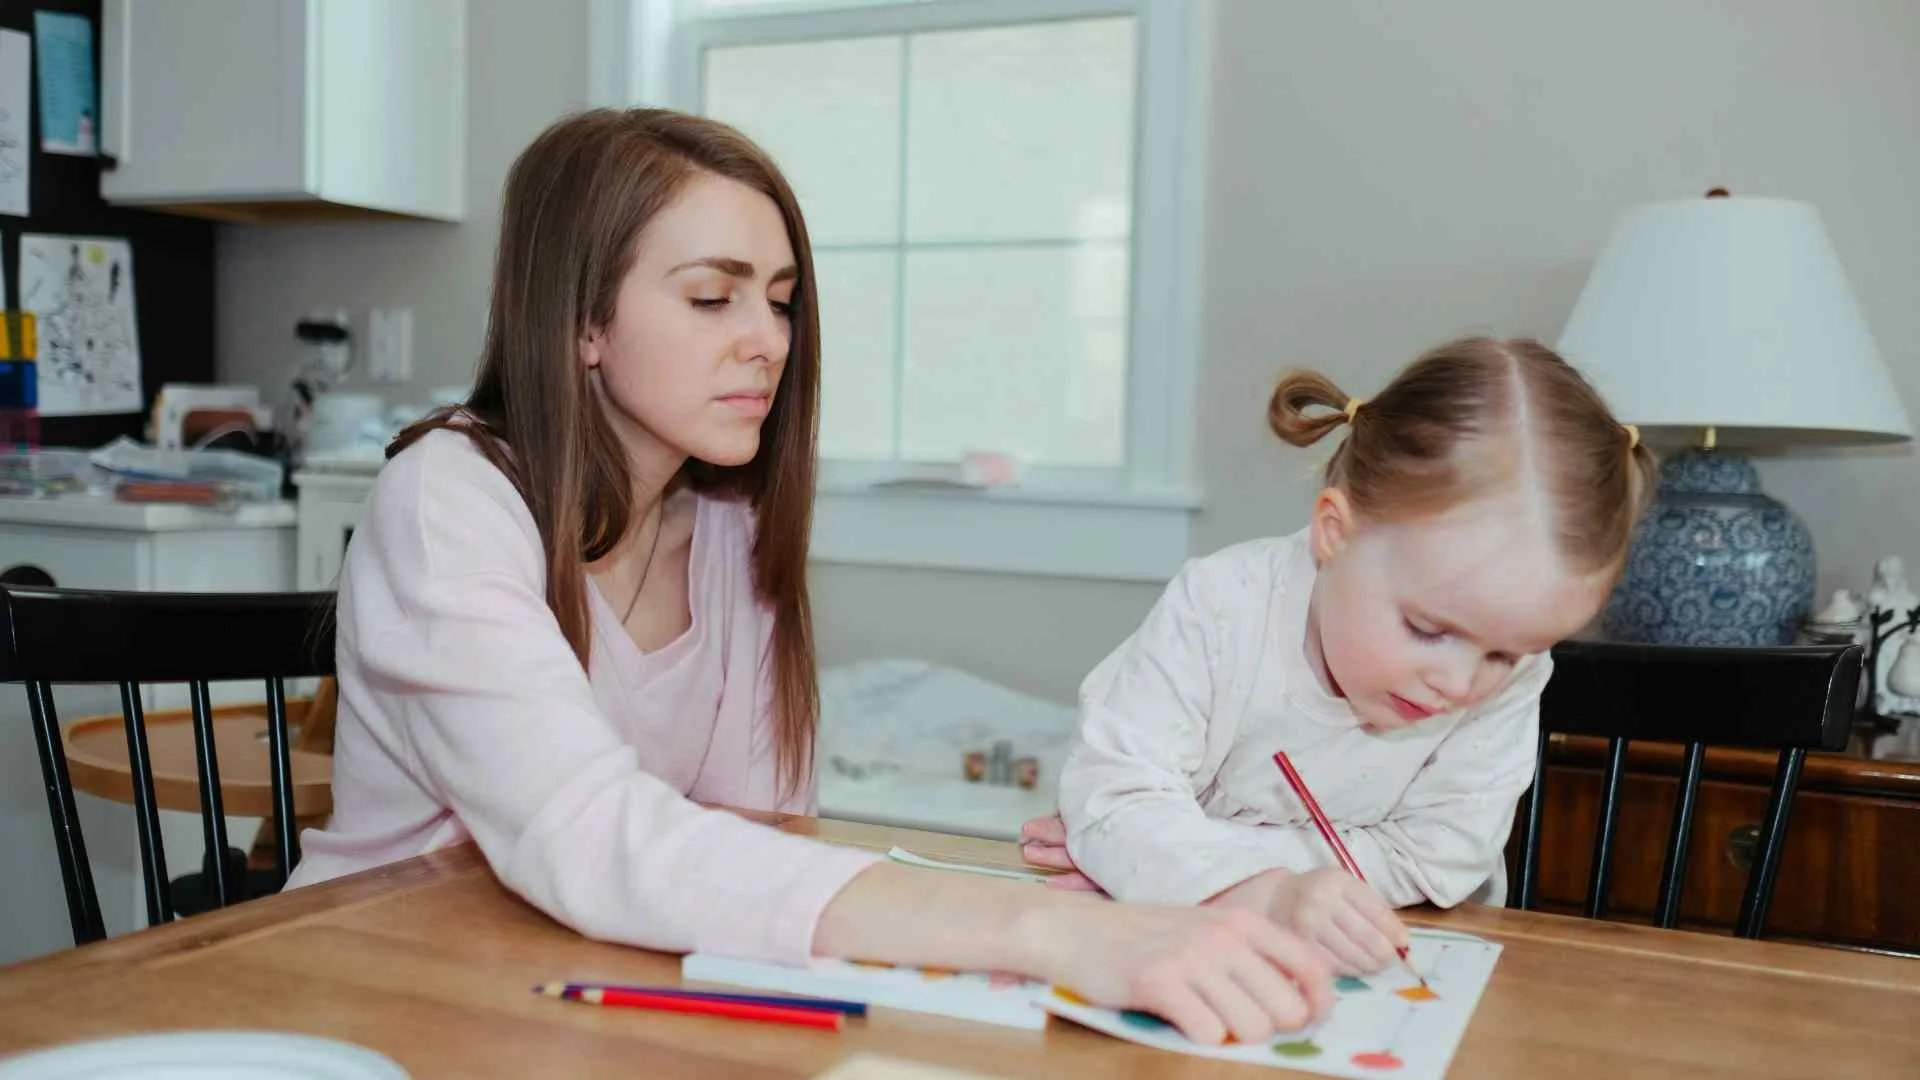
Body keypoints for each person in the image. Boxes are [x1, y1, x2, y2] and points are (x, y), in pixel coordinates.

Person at [283, 107, 1330, 1047]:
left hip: (562, 977)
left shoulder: (731, 522)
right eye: (711, 298)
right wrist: (1053, 931)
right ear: (583, 324)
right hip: (369, 986)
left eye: (780, 302)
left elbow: (757, 829)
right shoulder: (449, 498)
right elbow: (588, 832)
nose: (768, 342)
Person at [1020, 337, 1657, 975]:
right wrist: (1228, 880)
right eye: (1428, 629)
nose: (1461, 684)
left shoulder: (1514, 673)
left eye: (1505, 655)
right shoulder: (1219, 607)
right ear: (1336, 532)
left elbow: (1435, 860)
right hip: (1199, 951)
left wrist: (1186, 862)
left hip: (1417, 959)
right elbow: (1115, 799)